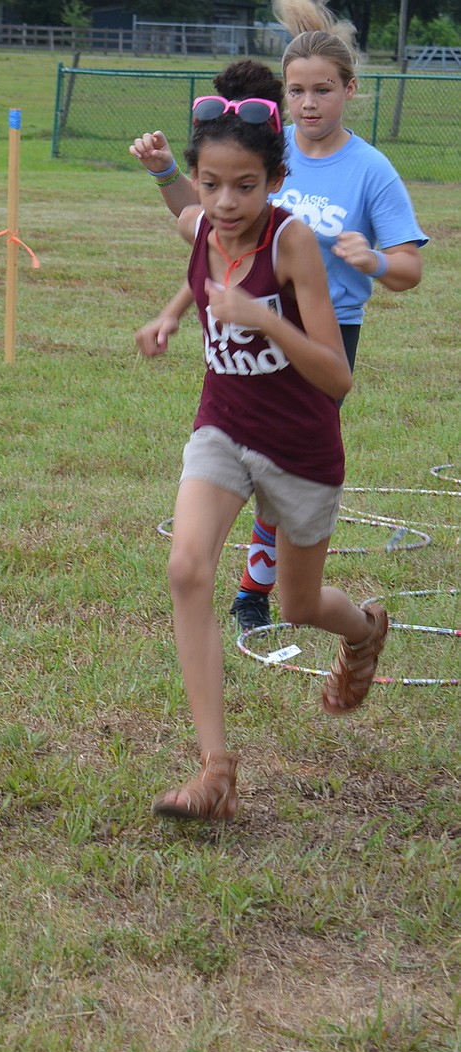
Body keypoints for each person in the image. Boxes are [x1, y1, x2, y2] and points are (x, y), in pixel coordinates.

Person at [136, 59, 389, 822]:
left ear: (274, 180)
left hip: (302, 452)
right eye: (211, 184)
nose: (224, 202)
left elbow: (337, 381)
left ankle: (365, 629)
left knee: (299, 604)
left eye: (244, 185)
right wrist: (173, 312)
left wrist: (266, 318)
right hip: (223, 428)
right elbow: (195, 234)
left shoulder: (293, 245)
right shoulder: (203, 222)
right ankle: (215, 769)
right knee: (186, 570)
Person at [130, 0, 427, 632]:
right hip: (242, 323)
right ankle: (248, 589)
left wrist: (372, 260)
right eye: (297, 91)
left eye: (324, 90)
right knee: (238, 449)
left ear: (350, 90)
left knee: (286, 460)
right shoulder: (266, 148)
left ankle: (255, 591)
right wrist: (166, 174)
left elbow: (409, 267)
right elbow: (205, 223)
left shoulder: (371, 171)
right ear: (283, 97)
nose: (309, 104)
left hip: (322, 334)